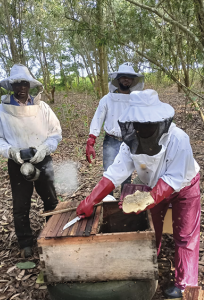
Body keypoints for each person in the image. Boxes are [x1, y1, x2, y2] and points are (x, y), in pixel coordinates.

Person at [76, 89, 200, 299]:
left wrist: (147, 199)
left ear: (160, 121)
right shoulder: (130, 142)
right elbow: (116, 173)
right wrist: (91, 199)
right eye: (139, 124)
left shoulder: (179, 139)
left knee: (185, 235)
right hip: (154, 188)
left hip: (185, 187)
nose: (143, 129)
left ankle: (186, 284)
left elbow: (174, 178)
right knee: (152, 228)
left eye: (148, 124)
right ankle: (150, 260)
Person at [0, 64, 62, 258]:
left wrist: (45, 148)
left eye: (25, 83)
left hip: (42, 159)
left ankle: (53, 236)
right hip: (17, 162)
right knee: (21, 205)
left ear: (30, 86)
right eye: (18, 84)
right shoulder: (1, 111)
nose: (21, 88)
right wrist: (10, 151)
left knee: (51, 200)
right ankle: (25, 242)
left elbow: (55, 133)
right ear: (12, 86)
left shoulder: (42, 108)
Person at [86, 62, 144, 197]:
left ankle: (124, 205)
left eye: (129, 77)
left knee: (126, 175)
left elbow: (141, 120)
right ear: (117, 79)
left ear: (133, 80)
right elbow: (98, 118)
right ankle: (108, 204)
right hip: (111, 140)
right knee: (109, 174)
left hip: (129, 141)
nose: (126, 79)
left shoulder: (136, 100)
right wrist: (91, 139)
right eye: (123, 76)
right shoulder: (107, 99)